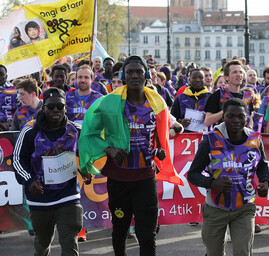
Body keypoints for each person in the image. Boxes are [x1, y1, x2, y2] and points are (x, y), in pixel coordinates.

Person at [78, 55, 183, 255]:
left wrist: (159, 149)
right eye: (130, 72)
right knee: (120, 230)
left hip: (145, 179)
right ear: (123, 76)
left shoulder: (157, 102)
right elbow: (88, 134)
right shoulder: (108, 103)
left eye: (139, 71)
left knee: (147, 235)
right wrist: (108, 148)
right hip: (119, 180)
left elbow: (161, 134)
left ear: (146, 76)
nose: (134, 75)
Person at [12, 87, 92, 255]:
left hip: (69, 197)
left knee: (69, 244)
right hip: (40, 199)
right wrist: (29, 181)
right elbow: (18, 160)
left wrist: (86, 168)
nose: (55, 109)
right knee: (42, 245)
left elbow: (87, 153)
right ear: (43, 107)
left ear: (65, 107)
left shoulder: (75, 130)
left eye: (60, 106)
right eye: (51, 106)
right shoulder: (30, 130)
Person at [188, 98, 269, 256]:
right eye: (231, 116)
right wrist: (212, 183)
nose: (236, 121)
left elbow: (262, 165)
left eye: (241, 117)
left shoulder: (254, 140)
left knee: (242, 252)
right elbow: (193, 174)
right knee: (214, 253)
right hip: (215, 207)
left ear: (246, 118)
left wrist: (265, 182)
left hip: (244, 207)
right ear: (223, 117)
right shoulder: (211, 141)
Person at [204, 60, 254, 127]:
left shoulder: (247, 96)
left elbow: (250, 118)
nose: (239, 75)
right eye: (235, 72)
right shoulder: (218, 94)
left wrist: (250, 127)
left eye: (241, 72)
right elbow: (207, 121)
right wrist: (226, 111)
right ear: (226, 77)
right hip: (222, 135)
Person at [0, 64, 19, 131]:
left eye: (1, 74)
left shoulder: (15, 92)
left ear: (6, 76)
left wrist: (9, 124)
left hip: (10, 130)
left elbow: (22, 111)